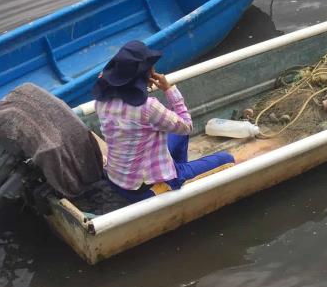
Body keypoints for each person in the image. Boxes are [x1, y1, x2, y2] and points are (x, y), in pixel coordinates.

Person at [94, 40, 236, 203]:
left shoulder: (101, 102)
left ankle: (179, 174)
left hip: (117, 179)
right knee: (227, 159)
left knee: (178, 135)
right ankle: (176, 179)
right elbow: (187, 126)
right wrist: (169, 89)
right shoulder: (147, 108)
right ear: (145, 74)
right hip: (144, 188)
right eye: (150, 67)